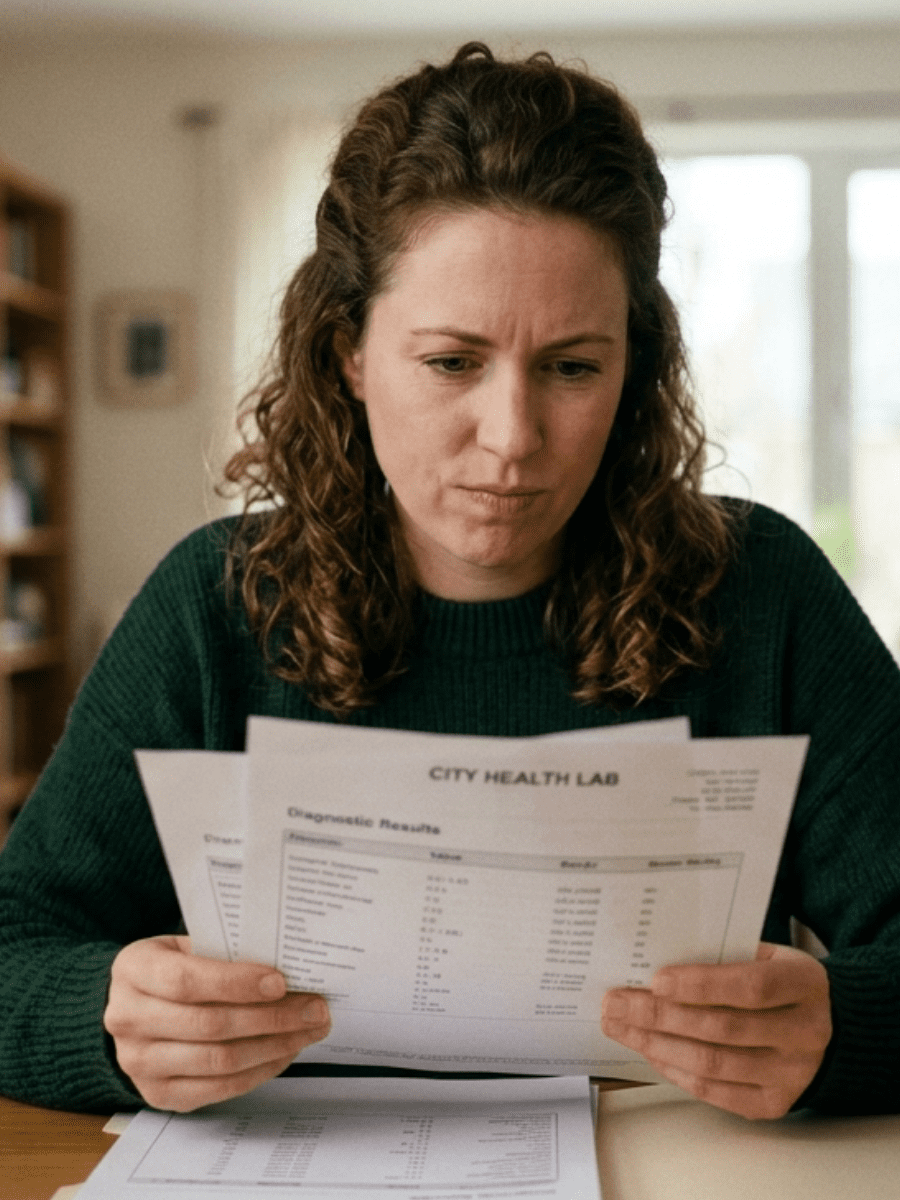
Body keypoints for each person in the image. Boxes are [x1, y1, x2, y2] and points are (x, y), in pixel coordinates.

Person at [1, 42, 898, 1121]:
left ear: (635, 367)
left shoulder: (762, 592)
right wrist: (105, 1017)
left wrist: (848, 1025)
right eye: (451, 363)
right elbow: (16, 946)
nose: (512, 438)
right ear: (348, 355)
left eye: (574, 367)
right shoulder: (217, 605)